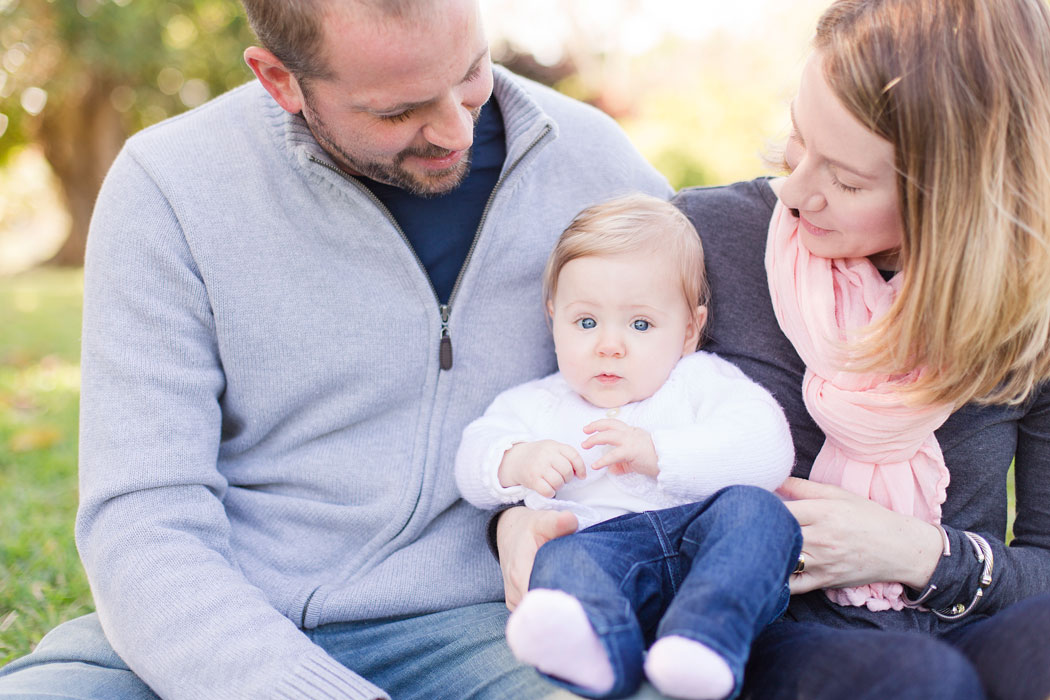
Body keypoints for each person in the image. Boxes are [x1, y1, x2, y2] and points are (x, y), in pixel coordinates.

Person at [0, 0, 673, 698]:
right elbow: (142, 520)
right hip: (216, 628)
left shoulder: (596, 164)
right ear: (280, 80)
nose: (455, 127)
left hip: (490, 628)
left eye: (472, 71)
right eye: (397, 111)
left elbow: (710, 374)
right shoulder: (168, 185)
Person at [496, 1, 1050, 699]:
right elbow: (568, 412)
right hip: (768, 627)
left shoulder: (1031, 313)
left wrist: (915, 553)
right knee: (921, 682)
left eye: (845, 181)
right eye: (798, 138)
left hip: (960, 614)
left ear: (959, 200)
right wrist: (513, 521)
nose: (794, 188)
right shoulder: (706, 241)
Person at [454, 194, 799, 700]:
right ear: (553, 318)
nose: (609, 345)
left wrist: (660, 454)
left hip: (698, 546)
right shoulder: (538, 404)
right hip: (603, 555)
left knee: (761, 514)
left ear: (688, 330)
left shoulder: (701, 382)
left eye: (640, 325)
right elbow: (472, 456)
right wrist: (517, 460)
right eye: (586, 322)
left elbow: (768, 447)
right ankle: (597, 653)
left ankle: (704, 642)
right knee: (561, 561)